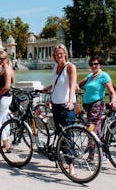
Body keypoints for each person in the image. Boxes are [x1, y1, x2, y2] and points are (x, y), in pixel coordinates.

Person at [41, 44, 77, 176]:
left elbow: (72, 86)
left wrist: (70, 100)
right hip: (55, 105)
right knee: (59, 133)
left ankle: (71, 165)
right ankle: (65, 161)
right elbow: (57, 83)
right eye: (56, 54)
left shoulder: (70, 67)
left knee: (68, 136)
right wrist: (48, 88)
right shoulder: (56, 66)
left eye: (60, 53)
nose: (58, 56)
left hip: (67, 106)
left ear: (65, 53)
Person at [78, 57, 116, 139]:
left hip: (97, 105)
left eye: (95, 64)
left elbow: (112, 92)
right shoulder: (89, 76)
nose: (93, 66)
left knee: (91, 129)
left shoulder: (104, 76)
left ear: (100, 65)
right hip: (87, 106)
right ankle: (102, 148)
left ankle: (92, 150)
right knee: (95, 128)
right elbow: (77, 86)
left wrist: (113, 101)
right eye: (91, 64)